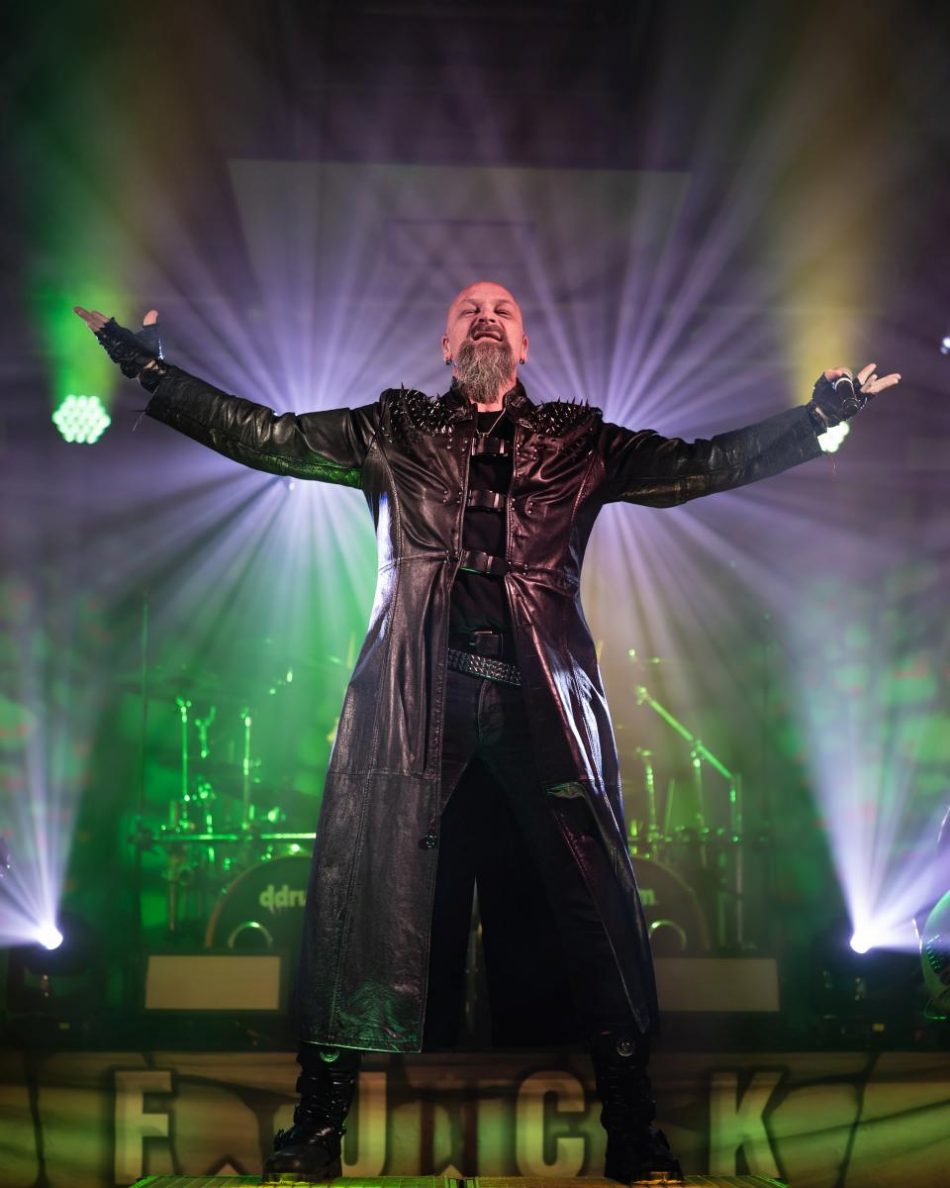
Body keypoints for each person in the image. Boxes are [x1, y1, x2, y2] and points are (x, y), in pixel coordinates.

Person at [76, 286, 899, 1182]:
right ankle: (315, 1129)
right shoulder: (392, 429)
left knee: (594, 908)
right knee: (361, 897)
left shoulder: (580, 442)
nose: (485, 315)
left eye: (502, 308)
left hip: (541, 698)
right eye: (469, 307)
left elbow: (697, 466)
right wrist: (154, 373)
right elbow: (266, 435)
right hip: (412, 696)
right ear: (445, 343)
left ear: (524, 343)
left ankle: (634, 1132)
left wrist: (816, 419)